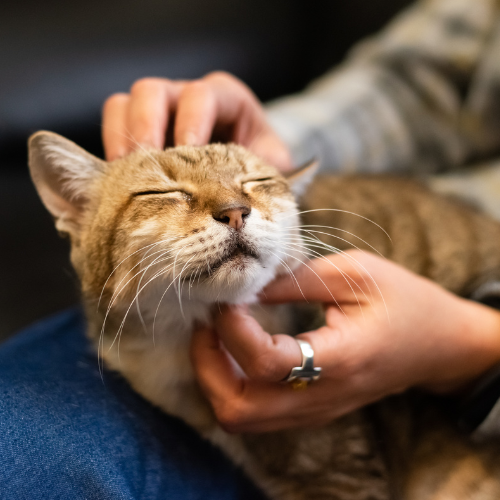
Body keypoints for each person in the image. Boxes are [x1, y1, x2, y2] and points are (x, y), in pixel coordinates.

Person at [3, 0, 500, 498]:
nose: (233, 211)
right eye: (162, 195)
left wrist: (473, 348)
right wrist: (260, 149)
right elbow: (411, 88)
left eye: (253, 189)